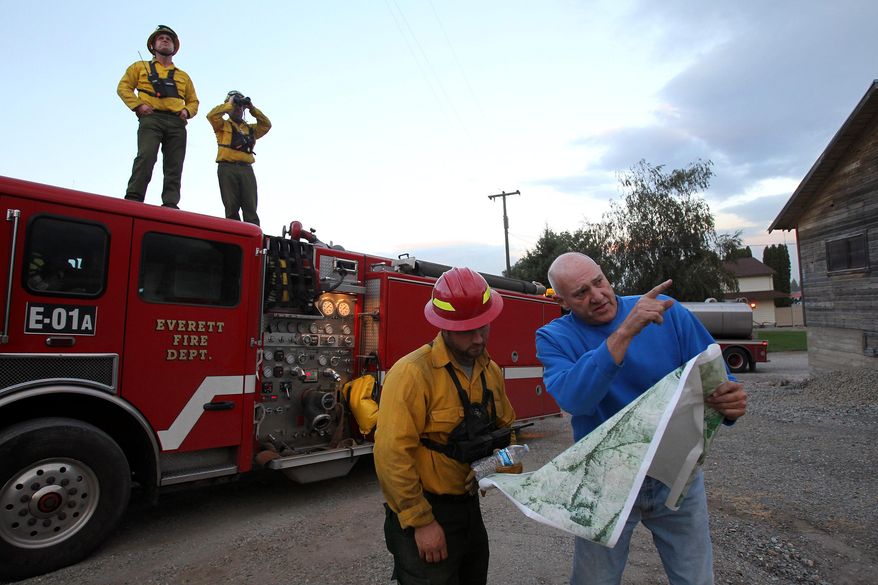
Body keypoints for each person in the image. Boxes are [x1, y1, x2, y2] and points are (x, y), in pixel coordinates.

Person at [535, 252, 747, 585]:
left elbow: (713, 371)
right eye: (581, 293)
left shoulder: (667, 311)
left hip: (675, 471)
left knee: (695, 577)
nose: (598, 295)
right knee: (595, 579)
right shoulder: (553, 337)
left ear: (606, 275)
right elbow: (576, 400)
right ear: (562, 301)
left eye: (599, 282)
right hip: (604, 481)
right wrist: (626, 331)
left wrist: (729, 398)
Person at [374, 267, 517, 585]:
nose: (479, 338)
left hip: (468, 513)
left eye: (483, 326)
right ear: (444, 326)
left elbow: (509, 433)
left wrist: (492, 466)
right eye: (468, 331)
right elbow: (391, 455)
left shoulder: (490, 371)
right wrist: (421, 522)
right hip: (427, 510)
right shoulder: (412, 373)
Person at [117, 25, 199, 209]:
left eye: (168, 39)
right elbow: (123, 87)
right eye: (160, 38)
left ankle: (170, 203)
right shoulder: (139, 67)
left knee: (174, 165)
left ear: (174, 47)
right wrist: (138, 105)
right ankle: (134, 197)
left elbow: (194, 101)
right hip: (151, 118)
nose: (165, 40)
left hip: (176, 123)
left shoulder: (183, 76)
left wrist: (187, 111)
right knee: (145, 156)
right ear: (152, 45)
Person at [206, 91, 272, 225]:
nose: (238, 108)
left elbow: (266, 125)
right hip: (227, 168)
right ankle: (233, 240)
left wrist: (252, 108)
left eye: (241, 106)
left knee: (251, 209)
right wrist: (229, 104)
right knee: (231, 208)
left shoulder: (250, 129)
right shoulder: (222, 126)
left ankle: (253, 238)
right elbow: (211, 116)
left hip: (246, 170)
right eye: (236, 105)